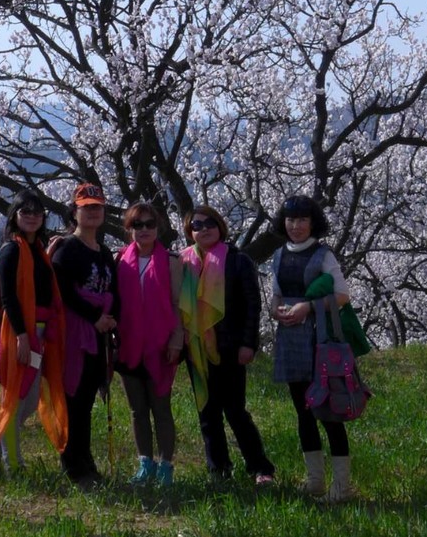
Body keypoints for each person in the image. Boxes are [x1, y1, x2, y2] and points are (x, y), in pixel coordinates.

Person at [0, 188, 67, 478]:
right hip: (19, 334)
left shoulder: (37, 251)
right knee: (14, 401)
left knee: (29, 398)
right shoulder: (11, 250)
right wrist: (22, 336)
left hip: (38, 334)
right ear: (14, 216)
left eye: (38, 212)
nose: (32, 216)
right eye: (25, 211)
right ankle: (14, 466)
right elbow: (10, 298)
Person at [179, 204, 275, 485]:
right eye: (197, 225)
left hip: (231, 347)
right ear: (189, 232)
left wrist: (249, 344)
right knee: (207, 412)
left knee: (235, 411)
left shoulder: (237, 260)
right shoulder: (184, 263)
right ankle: (218, 469)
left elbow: (252, 305)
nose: (204, 229)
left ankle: (260, 467)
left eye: (210, 223)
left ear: (220, 226)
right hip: (196, 348)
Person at [270, 193, 354, 502]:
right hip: (291, 340)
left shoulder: (323, 255)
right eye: (291, 219)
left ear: (312, 222)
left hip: (319, 339)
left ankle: (342, 486)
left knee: (329, 411)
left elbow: (342, 296)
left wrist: (308, 307)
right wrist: (276, 310)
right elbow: (276, 294)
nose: (296, 226)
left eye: (302, 219)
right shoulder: (279, 255)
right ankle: (315, 480)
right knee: (302, 411)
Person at [51, 182, 119, 486]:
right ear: (74, 212)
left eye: (97, 207)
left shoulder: (104, 252)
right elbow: (63, 291)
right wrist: (95, 317)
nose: (92, 212)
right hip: (75, 335)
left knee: (88, 398)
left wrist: (110, 320)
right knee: (74, 398)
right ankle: (73, 465)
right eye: (86, 207)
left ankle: (86, 460)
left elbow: (113, 290)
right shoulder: (67, 249)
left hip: (99, 335)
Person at [115, 202, 184, 486]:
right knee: (137, 410)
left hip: (160, 345)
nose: (144, 230)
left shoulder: (172, 261)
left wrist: (176, 341)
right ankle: (145, 463)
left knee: (161, 408)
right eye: (137, 225)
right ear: (129, 229)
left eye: (149, 224)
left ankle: (166, 465)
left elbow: (178, 304)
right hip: (128, 344)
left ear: (158, 228)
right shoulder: (119, 260)